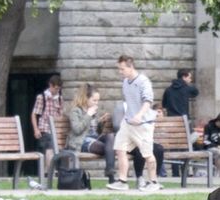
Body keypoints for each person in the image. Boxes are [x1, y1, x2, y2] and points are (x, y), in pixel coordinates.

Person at [114, 56, 159, 192]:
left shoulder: (143, 81)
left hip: (143, 124)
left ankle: (154, 182)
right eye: (119, 69)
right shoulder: (125, 82)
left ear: (130, 67)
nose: (120, 72)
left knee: (147, 154)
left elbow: (148, 101)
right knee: (120, 148)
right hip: (128, 123)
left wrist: (139, 115)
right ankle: (122, 181)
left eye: (122, 69)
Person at [63, 83, 116, 186]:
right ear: (85, 98)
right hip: (81, 141)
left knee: (111, 136)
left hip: (93, 139)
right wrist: (88, 115)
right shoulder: (75, 111)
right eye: (94, 100)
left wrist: (101, 122)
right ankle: (111, 178)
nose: (96, 103)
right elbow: (77, 129)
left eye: (98, 100)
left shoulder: (92, 110)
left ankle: (110, 173)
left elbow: (96, 133)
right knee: (109, 148)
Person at [30, 73, 64, 163]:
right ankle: (49, 172)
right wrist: (36, 129)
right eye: (56, 88)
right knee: (49, 148)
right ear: (50, 85)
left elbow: (60, 115)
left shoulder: (60, 99)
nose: (57, 91)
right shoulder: (42, 97)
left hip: (55, 130)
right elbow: (34, 114)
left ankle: (50, 171)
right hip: (44, 129)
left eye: (59, 89)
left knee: (55, 149)